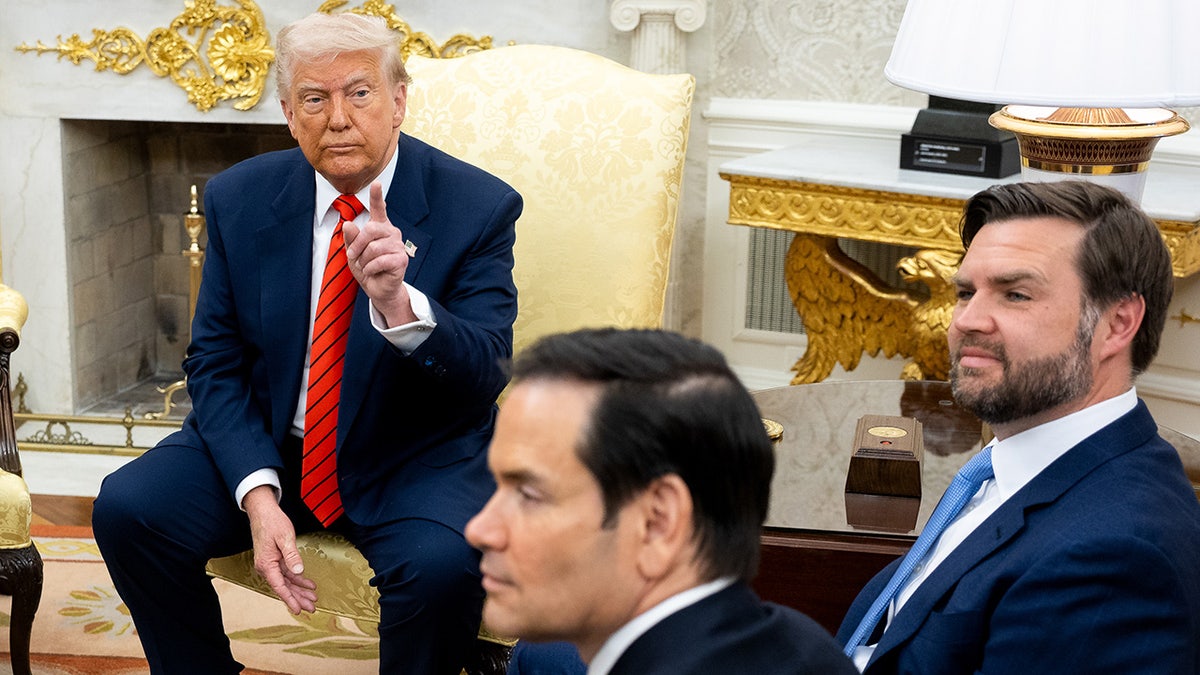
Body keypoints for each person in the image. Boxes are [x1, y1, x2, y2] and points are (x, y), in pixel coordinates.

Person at [91, 12, 521, 674]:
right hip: (276, 444)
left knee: (440, 570)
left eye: (359, 91)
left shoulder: (478, 206)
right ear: (290, 113)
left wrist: (397, 303)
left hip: (411, 457)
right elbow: (215, 361)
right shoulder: (241, 197)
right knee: (129, 509)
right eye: (315, 99)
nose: (338, 118)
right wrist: (259, 495)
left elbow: (486, 370)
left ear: (399, 99)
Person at [837, 180, 1200, 673]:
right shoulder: (1004, 466)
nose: (968, 319)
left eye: (1015, 294)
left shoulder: (1113, 559)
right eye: (966, 292)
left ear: (1117, 324)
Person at [465, 328, 859, 675]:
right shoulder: (801, 641)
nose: (479, 529)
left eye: (529, 496)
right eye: (497, 486)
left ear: (657, 522)